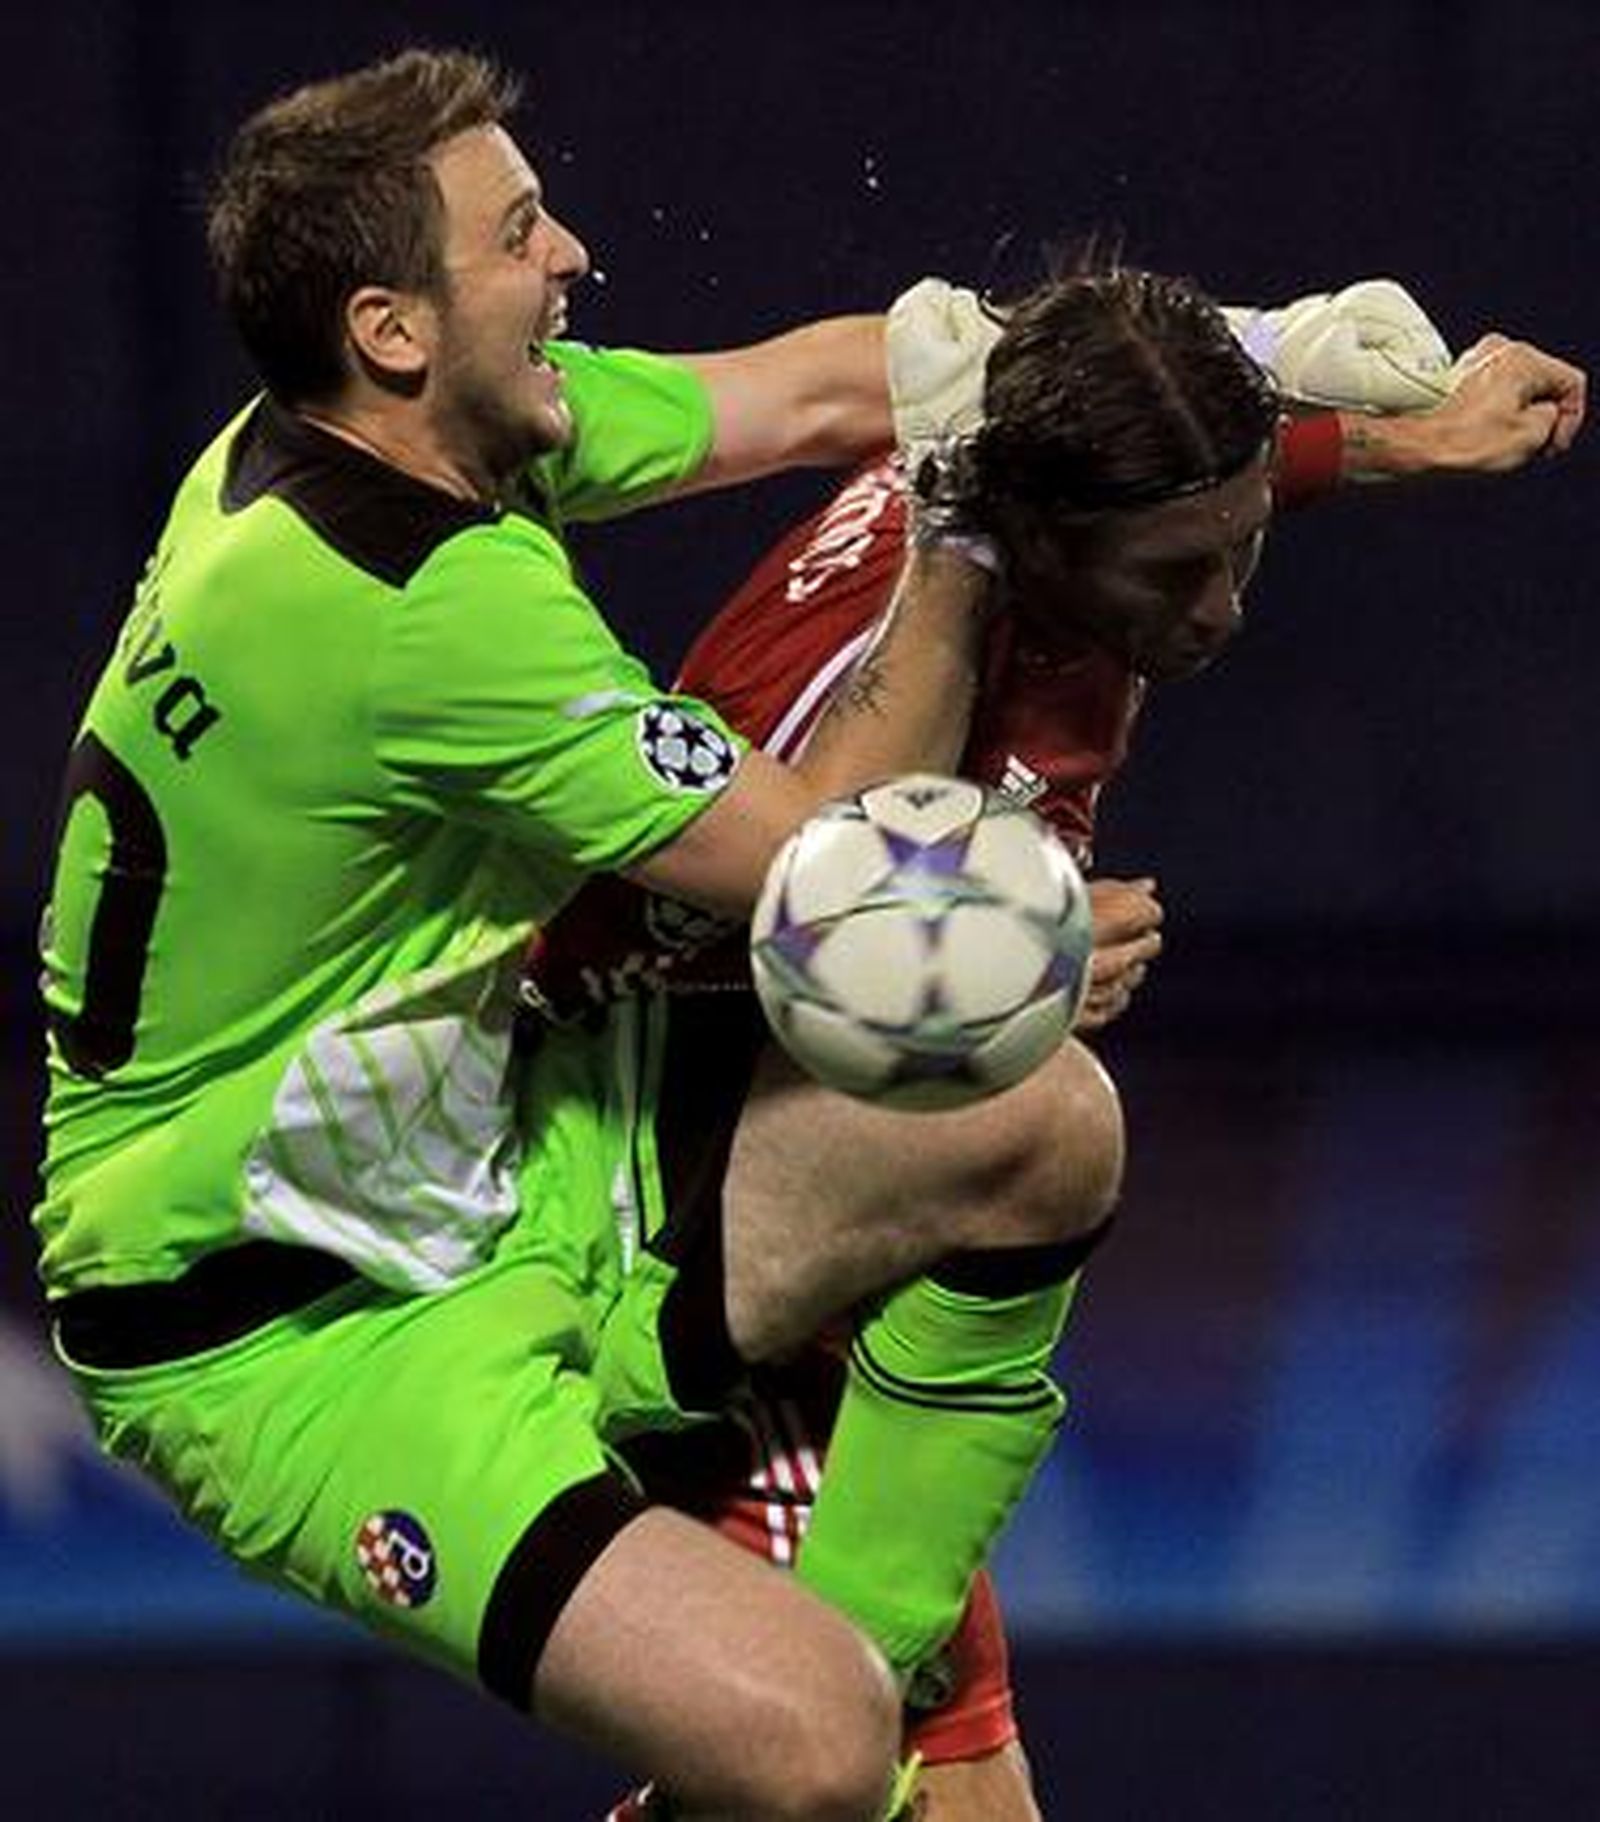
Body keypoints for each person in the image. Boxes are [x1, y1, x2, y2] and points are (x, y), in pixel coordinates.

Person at [31, 46, 1154, 1822]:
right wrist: (992, 873)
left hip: (506, 1163)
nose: (575, 255)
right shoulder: (421, 617)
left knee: (1046, 1119)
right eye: (522, 231)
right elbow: (846, 867)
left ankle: (866, 1634)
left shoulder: (373, 445)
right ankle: (841, 1707)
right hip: (299, 1333)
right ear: (395, 327)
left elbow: (807, 393)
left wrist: (1251, 354)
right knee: (808, 1749)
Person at [522, 267, 1587, 1819]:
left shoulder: (1051, 490)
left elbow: (1141, 407)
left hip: (845, 1232)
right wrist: (964, 977)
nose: (1215, 608)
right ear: (1031, 546)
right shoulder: (869, 685)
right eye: (1177, 573)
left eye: (1238, 550)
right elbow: (631, 956)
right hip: (658, 1188)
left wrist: (1397, 440)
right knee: (830, 1763)